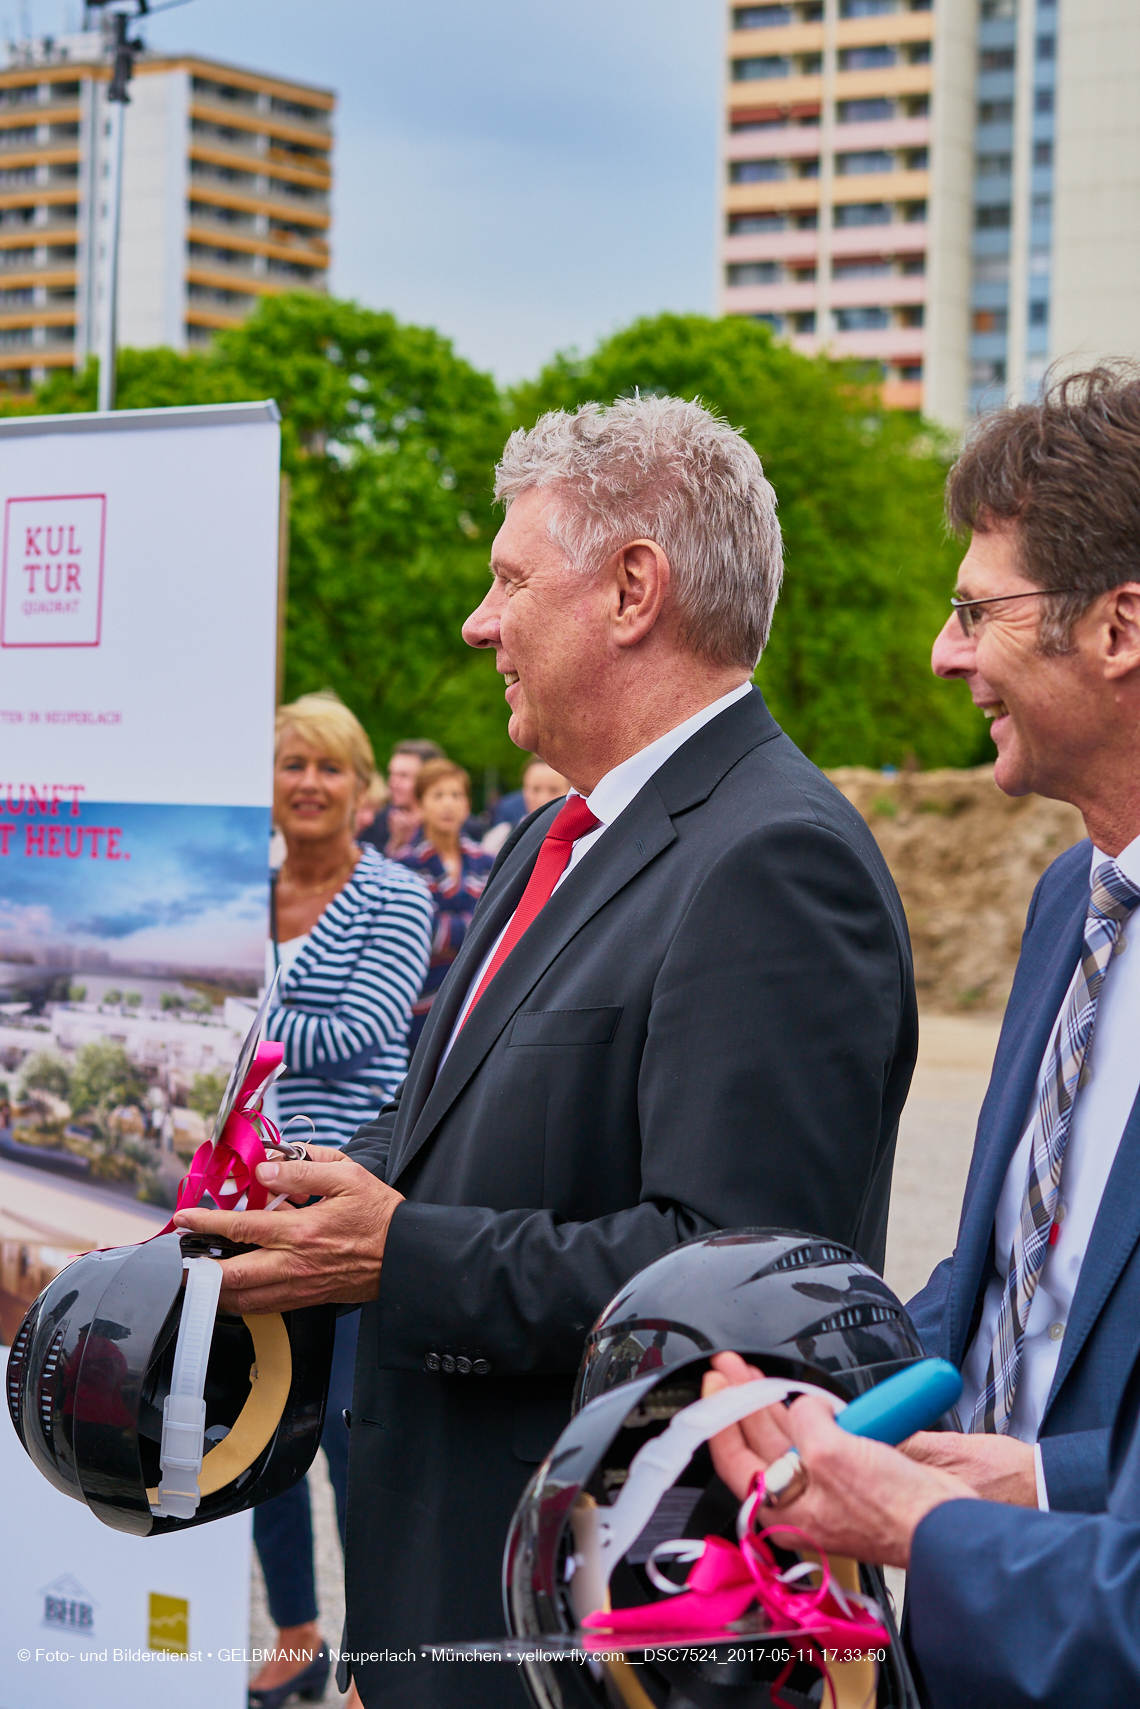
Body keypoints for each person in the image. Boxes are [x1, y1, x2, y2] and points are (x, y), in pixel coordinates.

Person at [174, 394, 919, 1709]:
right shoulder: (559, 836)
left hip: (583, 1637)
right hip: (438, 1607)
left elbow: (733, 1293)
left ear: (633, 589)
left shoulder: (775, 862)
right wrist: (263, 1214)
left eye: (511, 576)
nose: (479, 620)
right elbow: (438, 1133)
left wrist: (395, 1253)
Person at [892, 368, 1140, 1519]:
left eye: (975, 610)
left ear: (1116, 626)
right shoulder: (1066, 903)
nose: (946, 653)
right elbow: (1004, 1276)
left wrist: (1046, 1483)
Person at [250, 693, 433, 1709]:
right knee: (257, 1431)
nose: (309, 783)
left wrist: (241, 1008)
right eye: (291, 764)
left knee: (357, 1445)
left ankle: (372, 1663)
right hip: (244, 1198)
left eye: (329, 766)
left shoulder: (394, 895)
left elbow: (361, 1027)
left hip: (348, 1194)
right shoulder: (248, 886)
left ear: (364, 788)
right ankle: (294, 1631)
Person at [704, 1346, 1140, 1707]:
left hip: (1079, 1640)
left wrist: (1036, 1479)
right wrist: (838, 1353)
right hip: (944, 1640)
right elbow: (990, 1274)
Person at [395, 759, 495, 1048]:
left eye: (456, 795)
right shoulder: (405, 864)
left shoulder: (488, 862)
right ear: (420, 804)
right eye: (438, 795)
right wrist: (474, 926)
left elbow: (498, 927)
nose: (448, 804)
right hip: (419, 1002)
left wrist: (449, 926)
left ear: (467, 804)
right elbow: (421, 933)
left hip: (474, 999)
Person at [358, 739, 443, 857]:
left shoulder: (453, 825)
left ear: (429, 780)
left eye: (403, 776)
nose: (393, 783)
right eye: (392, 774)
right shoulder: (377, 823)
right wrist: (395, 846)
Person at [482, 756, 570, 855]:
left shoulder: (583, 842)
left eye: (554, 790)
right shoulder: (499, 839)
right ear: (524, 791)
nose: (544, 798)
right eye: (535, 789)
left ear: (569, 791)